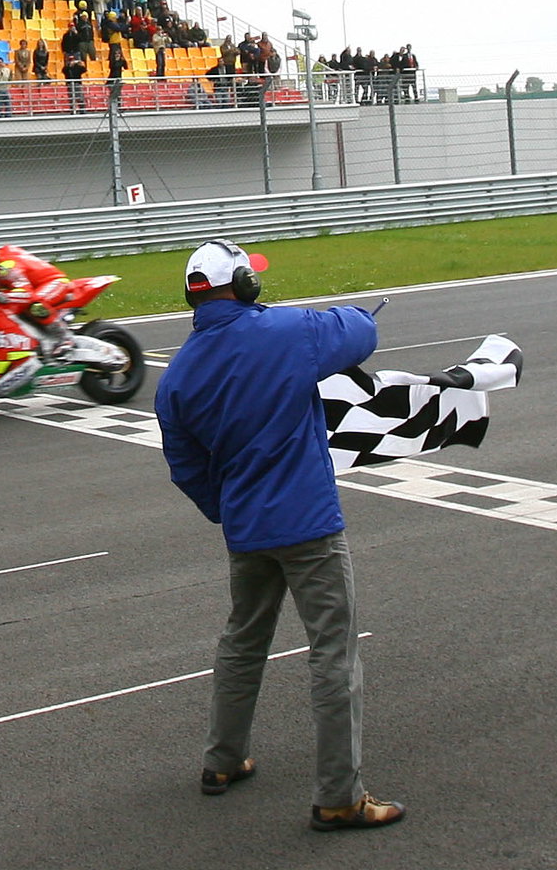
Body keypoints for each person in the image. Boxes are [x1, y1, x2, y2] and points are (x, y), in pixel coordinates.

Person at [153, 239, 405, 833]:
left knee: (242, 640)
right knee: (333, 652)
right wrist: (360, 315)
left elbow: (185, 466)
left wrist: (227, 509)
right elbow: (357, 334)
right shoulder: (288, 332)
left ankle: (222, 760)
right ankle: (339, 796)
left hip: (246, 528)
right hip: (309, 525)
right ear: (244, 285)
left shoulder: (178, 376)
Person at [0, 237, 74, 360]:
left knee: (35, 304)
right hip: (33, 287)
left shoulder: (6, 266)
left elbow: (26, 294)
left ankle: (65, 339)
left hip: (54, 282)